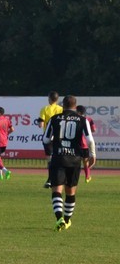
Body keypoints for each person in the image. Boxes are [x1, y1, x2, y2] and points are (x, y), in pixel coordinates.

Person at [43, 95, 95, 231]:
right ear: (75, 106)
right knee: (70, 192)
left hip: (58, 158)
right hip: (74, 159)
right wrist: (93, 154)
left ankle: (59, 218)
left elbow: (46, 139)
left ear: (63, 105)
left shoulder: (54, 119)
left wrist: (55, 140)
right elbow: (90, 140)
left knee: (57, 190)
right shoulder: (82, 120)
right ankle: (66, 221)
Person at [36, 91, 63, 187]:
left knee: (50, 159)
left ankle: (50, 179)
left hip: (48, 136)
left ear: (49, 99)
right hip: (59, 137)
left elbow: (40, 124)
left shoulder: (45, 109)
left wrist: (39, 122)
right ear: (57, 99)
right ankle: (60, 179)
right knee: (59, 158)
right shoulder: (61, 109)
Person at [76, 105, 97, 182]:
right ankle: (87, 176)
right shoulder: (89, 119)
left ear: (78, 111)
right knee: (85, 162)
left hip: (76, 144)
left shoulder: (75, 119)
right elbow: (94, 129)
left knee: (76, 162)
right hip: (85, 144)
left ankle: (75, 177)